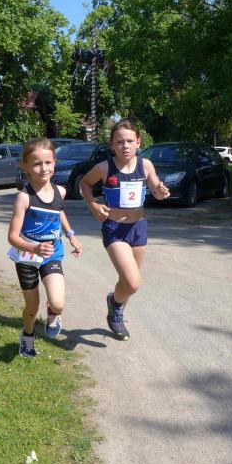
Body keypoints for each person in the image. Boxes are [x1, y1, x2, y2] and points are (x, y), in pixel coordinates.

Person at [79, 118, 170, 341]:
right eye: (119, 142)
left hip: (139, 227)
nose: (125, 146)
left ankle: (117, 314)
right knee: (132, 282)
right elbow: (85, 183)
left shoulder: (145, 165)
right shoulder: (104, 168)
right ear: (112, 145)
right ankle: (114, 303)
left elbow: (156, 190)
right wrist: (93, 205)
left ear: (138, 142)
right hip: (114, 229)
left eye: (130, 141)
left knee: (127, 281)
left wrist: (161, 192)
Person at [7, 138, 83, 358]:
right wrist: (34, 248)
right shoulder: (24, 198)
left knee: (58, 303)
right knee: (32, 309)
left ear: (54, 163)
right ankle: (28, 334)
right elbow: (12, 237)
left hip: (52, 254)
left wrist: (71, 235)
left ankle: (52, 313)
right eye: (37, 164)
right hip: (27, 257)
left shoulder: (61, 191)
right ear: (26, 166)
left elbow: (59, 212)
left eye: (48, 162)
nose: (44, 168)